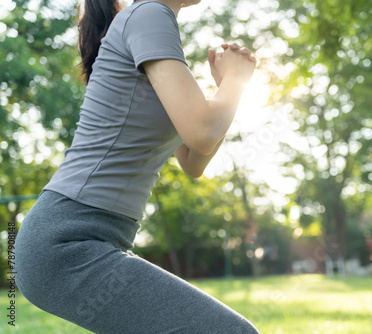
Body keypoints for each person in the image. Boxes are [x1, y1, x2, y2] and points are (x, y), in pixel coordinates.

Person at [14, 0, 260, 333]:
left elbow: (192, 161)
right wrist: (235, 79)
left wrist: (226, 88)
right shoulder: (149, 13)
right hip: (67, 240)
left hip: (93, 236)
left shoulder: (150, 25)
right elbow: (203, 134)